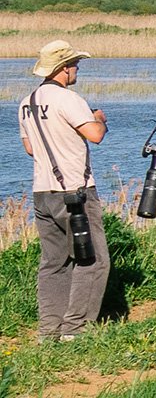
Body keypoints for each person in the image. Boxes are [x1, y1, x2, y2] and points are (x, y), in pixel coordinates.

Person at [18, 40, 111, 342]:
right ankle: (76, 329)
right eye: (75, 65)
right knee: (94, 260)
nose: (77, 70)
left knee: (53, 262)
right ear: (63, 68)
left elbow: (31, 148)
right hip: (75, 191)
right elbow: (95, 136)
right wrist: (99, 119)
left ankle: (49, 330)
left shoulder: (26, 102)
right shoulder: (68, 99)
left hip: (41, 192)